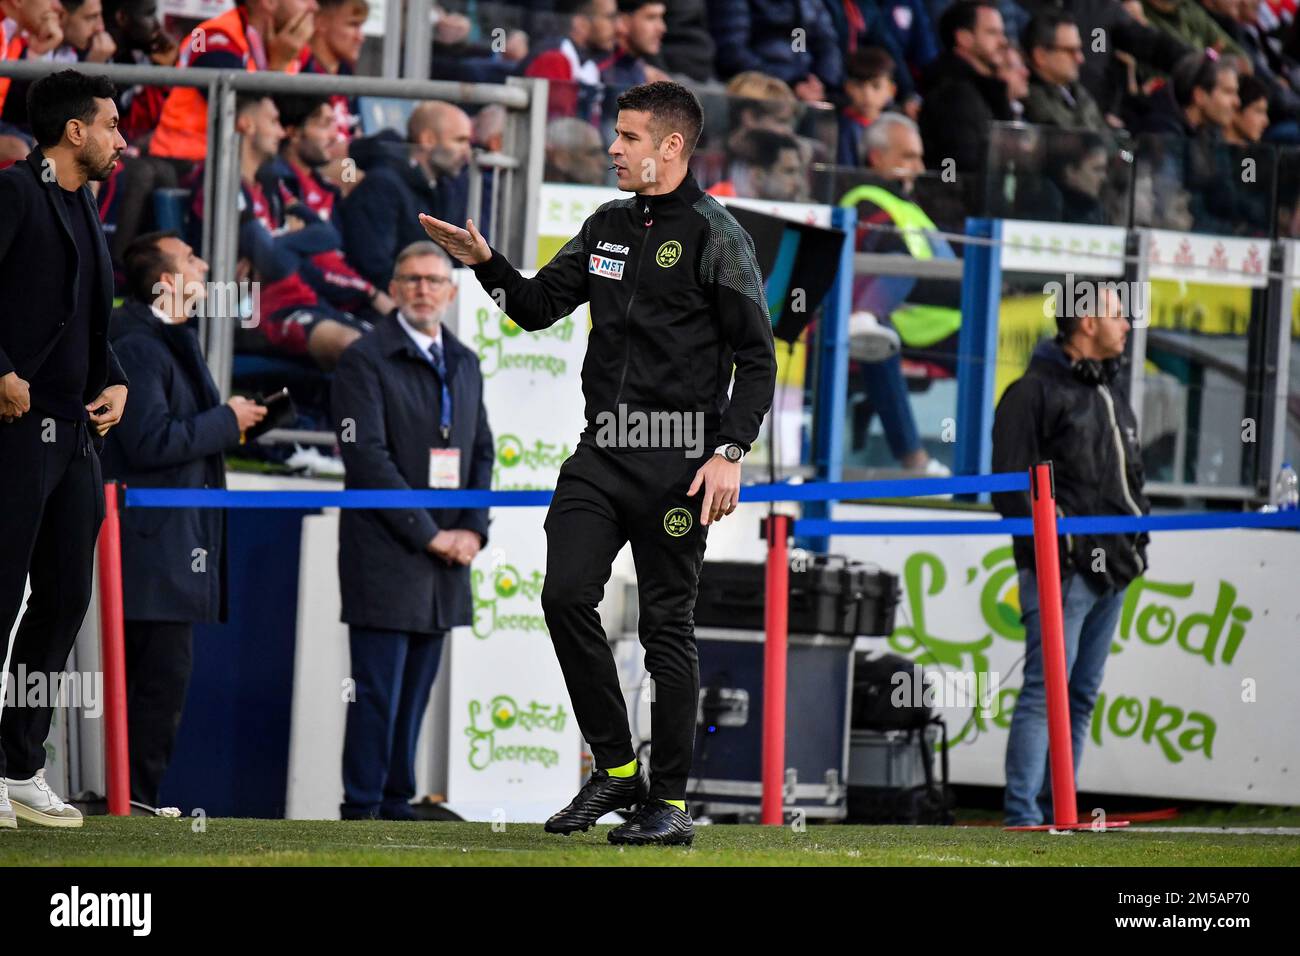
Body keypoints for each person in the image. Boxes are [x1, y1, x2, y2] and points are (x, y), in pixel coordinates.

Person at [419, 80, 776, 845]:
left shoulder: (720, 234)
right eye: (616, 136)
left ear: (671, 148)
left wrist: (728, 453)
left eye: (630, 137)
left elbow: (758, 359)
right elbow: (536, 305)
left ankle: (669, 804)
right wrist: (486, 262)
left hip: (680, 461)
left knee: (665, 629)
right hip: (602, 452)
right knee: (563, 595)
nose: (613, 148)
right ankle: (616, 771)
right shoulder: (607, 224)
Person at [0, 70, 129, 829]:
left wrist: (116, 382)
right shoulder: (15, 192)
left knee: (62, 602)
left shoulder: (85, 204)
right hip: (15, 431)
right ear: (74, 131)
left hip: (77, 434)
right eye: (111, 123)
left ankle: (19, 763)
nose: (122, 137)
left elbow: (88, 318)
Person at [100, 232, 266, 810]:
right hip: (149, 553)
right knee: (152, 684)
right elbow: (147, 440)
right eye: (193, 260)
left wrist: (230, 422)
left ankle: (132, 800)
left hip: (165, 550)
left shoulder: (164, 338)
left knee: (157, 684)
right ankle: (130, 801)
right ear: (166, 282)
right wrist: (228, 419)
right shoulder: (140, 344)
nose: (205, 266)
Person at [330, 241, 493, 821]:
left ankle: (397, 799)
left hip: (448, 558)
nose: (424, 289)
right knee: (376, 693)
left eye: (434, 280)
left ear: (451, 292)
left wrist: (472, 531)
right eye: (412, 280)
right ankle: (364, 805)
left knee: (417, 693)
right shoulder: (364, 359)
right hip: (388, 553)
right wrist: (430, 535)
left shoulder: (466, 361)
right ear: (395, 290)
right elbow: (367, 458)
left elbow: (481, 451)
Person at [992, 286, 1149, 828]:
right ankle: (1023, 816)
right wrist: (1062, 548)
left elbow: (1129, 476)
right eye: (1115, 313)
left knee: (1078, 694)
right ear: (1085, 321)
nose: (1127, 323)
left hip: (1115, 567)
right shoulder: (1031, 392)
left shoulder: (1107, 388)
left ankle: (1059, 811)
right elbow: (1010, 488)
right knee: (1047, 690)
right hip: (1066, 570)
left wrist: (1134, 544)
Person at [841, 112, 957, 475]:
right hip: (900, 319)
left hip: (944, 321)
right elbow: (883, 258)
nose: (919, 167)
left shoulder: (911, 207)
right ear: (877, 158)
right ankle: (915, 461)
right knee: (876, 338)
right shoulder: (866, 197)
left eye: (920, 157)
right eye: (907, 156)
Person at [149, 0, 318, 165]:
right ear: (269, 2)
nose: (314, 6)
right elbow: (242, 110)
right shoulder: (212, 36)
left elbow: (306, 114)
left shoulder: (292, 46)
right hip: (188, 161)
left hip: (242, 161)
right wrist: (278, 67)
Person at [340, 100, 472, 289]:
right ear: (428, 140)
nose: (467, 151)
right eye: (460, 140)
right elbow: (373, 265)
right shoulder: (382, 185)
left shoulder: (445, 187)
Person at [918, 0, 1013, 183]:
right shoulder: (953, 93)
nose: (1003, 42)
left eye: (1002, 33)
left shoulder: (983, 90)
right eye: (992, 33)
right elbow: (958, 165)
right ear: (964, 38)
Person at [1021, 9, 1113, 139]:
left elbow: (1108, 142)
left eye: (1079, 50)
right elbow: (1069, 143)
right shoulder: (1029, 96)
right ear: (1040, 56)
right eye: (1071, 51)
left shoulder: (1079, 93)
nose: (1080, 59)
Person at [838, 47, 898, 167]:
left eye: (876, 86)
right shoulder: (841, 128)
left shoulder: (896, 129)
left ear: (891, 90)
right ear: (848, 88)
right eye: (859, 86)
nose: (867, 95)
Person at [1225, 70, 1271, 142]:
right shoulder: (1210, 150)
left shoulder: (1249, 152)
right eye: (1259, 111)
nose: (1266, 122)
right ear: (1235, 110)